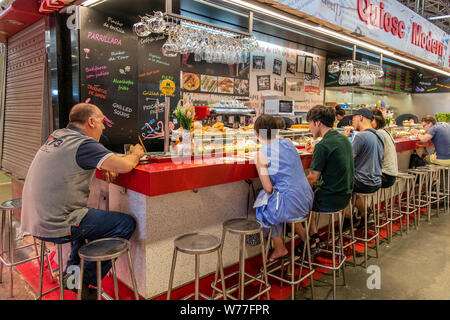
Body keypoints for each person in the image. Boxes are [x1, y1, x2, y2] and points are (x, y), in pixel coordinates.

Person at [20, 103, 145, 299]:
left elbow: (71, 163)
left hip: (33, 218)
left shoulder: (58, 135)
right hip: (55, 223)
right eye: (102, 121)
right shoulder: (84, 144)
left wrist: (104, 164)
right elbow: (125, 166)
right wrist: (136, 153)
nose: (104, 127)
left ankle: (71, 277)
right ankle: (85, 282)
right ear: (91, 122)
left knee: (86, 222)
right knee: (125, 224)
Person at [253, 114, 313, 261]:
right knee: (279, 199)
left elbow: (268, 188)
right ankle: (306, 238)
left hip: (289, 205)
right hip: (307, 199)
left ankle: (279, 247)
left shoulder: (261, 154)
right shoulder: (288, 143)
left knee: (263, 203)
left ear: (256, 134)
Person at [296, 105, 354, 250]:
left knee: (298, 202)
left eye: (310, 123)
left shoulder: (323, 145)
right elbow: (333, 154)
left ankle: (309, 241)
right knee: (310, 196)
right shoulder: (343, 139)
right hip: (345, 197)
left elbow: (313, 178)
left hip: (331, 199)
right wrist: (316, 150)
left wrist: (295, 191)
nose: (309, 128)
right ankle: (314, 236)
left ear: (318, 123)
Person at [343, 108, 384, 230]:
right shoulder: (378, 135)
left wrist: (345, 139)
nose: (352, 122)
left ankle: (358, 215)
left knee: (339, 185)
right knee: (349, 185)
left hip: (364, 182)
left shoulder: (361, 136)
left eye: (353, 119)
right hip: (377, 180)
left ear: (360, 117)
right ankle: (354, 217)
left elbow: (347, 158)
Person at [371, 108, 398, 188]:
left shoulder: (378, 134)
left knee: (358, 180)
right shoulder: (385, 132)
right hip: (391, 174)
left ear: (377, 121)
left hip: (385, 176)